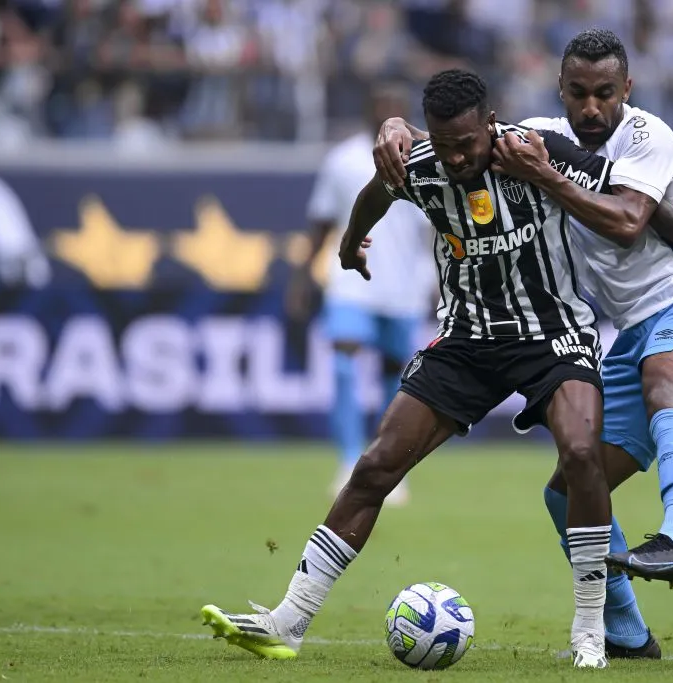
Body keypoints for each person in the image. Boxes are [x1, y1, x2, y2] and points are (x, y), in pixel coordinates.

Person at [202, 68, 631, 669]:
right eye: (443, 142)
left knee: (583, 455)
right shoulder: (423, 162)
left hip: (551, 336)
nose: (454, 157)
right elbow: (379, 189)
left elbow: (622, 204)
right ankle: (289, 620)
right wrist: (352, 242)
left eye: (466, 143)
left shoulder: (536, 152)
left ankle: (590, 630)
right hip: (466, 341)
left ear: (489, 123)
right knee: (376, 465)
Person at [374, 29, 673, 659]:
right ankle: (628, 634)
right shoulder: (540, 139)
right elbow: (454, 146)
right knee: (570, 490)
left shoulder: (645, 134)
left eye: (604, 93)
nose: (591, 108)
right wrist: (395, 125)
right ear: (561, 89)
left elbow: (637, 219)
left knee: (668, 383)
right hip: (633, 332)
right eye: (578, 93)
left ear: (626, 91)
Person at [287, 83, 433, 504]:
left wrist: (439, 284)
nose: (388, 112)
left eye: (397, 107)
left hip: (404, 287)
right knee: (344, 366)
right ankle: (348, 460)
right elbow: (321, 224)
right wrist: (301, 278)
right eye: (381, 105)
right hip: (350, 283)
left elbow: (435, 234)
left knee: (396, 379)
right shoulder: (344, 160)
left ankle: (384, 465)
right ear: (371, 111)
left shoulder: (425, 160)